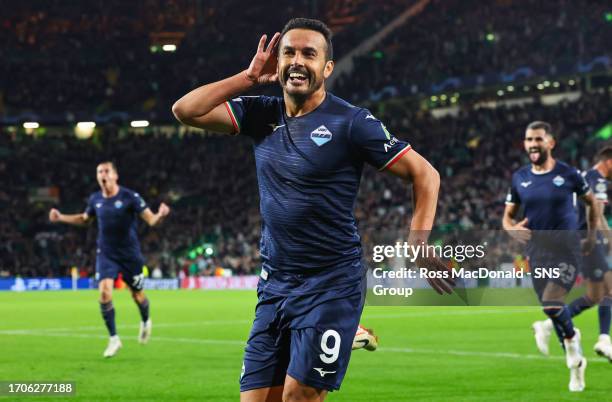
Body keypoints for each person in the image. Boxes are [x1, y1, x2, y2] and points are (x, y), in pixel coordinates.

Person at [172, 17, 452, 402]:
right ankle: (350, 333)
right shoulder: (261, 113)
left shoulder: (352, 122)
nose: (297, 61)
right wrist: (247, 78)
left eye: (309, 53)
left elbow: (426, 174)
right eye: (289, 52)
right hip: (275, 285)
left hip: (331, 283)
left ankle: (339, 326)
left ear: (327, 67)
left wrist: (418, 241)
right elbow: (186, 110)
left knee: (298, 396)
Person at [502, 121, 598, 392]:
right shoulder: (520, 177)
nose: (532, 144)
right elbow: (507, 217)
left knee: (552, 305)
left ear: (550, 143)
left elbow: (593, 204)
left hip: (567, 250)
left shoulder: (569, 174)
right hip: (537, 252)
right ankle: (576, 361)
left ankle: (569, 350)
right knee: (554, 311)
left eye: (538, 139)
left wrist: (590, 235)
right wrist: (512, 230)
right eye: (528, 139)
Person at [49, 161, 170, 357]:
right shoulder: (95, 199)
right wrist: (61, 217)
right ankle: (114, 339)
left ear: (115, 176)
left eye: (106, 171)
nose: (102, 174)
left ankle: (146, 320)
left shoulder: (130, 196)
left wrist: (161, 215)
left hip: (130, 255)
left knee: (137, 295)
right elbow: (84, 219)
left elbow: (151, 220)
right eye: (99, 172)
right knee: (104, 293)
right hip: (106, 253)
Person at [533, 146, 612, 360]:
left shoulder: (587, 176)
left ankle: (547, 325)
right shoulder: (599, 179)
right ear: (609, 162)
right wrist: (605, 237)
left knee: (595, 295)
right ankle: (604, 339)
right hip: (586, 239)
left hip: (575, 238)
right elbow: (594, 209)